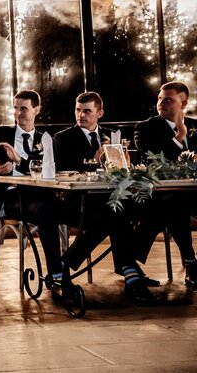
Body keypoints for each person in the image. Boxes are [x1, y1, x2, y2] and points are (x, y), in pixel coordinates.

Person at [53, 92, 158, 303]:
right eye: (78, 110)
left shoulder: (113, 135)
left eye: (87, 111)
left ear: (100, 113)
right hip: (80, 202)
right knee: (114, 215)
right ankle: (130, 273)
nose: (81, 115)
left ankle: (66, 265)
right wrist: (95, 159)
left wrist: (123, 160)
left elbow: (122, 171)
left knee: (147, 207)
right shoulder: (63, 138)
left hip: (111, 200)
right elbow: (62, 173)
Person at [0, 90, 64, 291]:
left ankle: (67, 263)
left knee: (83, 212)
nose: (18, 113)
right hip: (12, 197)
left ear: (36, 110)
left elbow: (53, 170)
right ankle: (57, 273)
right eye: (15, 108)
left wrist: (19, 161)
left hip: (42, 194)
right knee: (47, 209)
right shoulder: (0, 134)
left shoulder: (46, 139)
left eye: (24, 108)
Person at [133, 81, 197, 288]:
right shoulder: (145, 128)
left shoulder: (196, 126)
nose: (161, 103)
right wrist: (179, 138)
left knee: (172, 205)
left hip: (193, 193)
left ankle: (130, 255)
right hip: (161, 194)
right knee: (173, 203)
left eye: (168, 100)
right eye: (160, 99)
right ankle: (191, 263)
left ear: (183, 102)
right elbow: (153, 161)